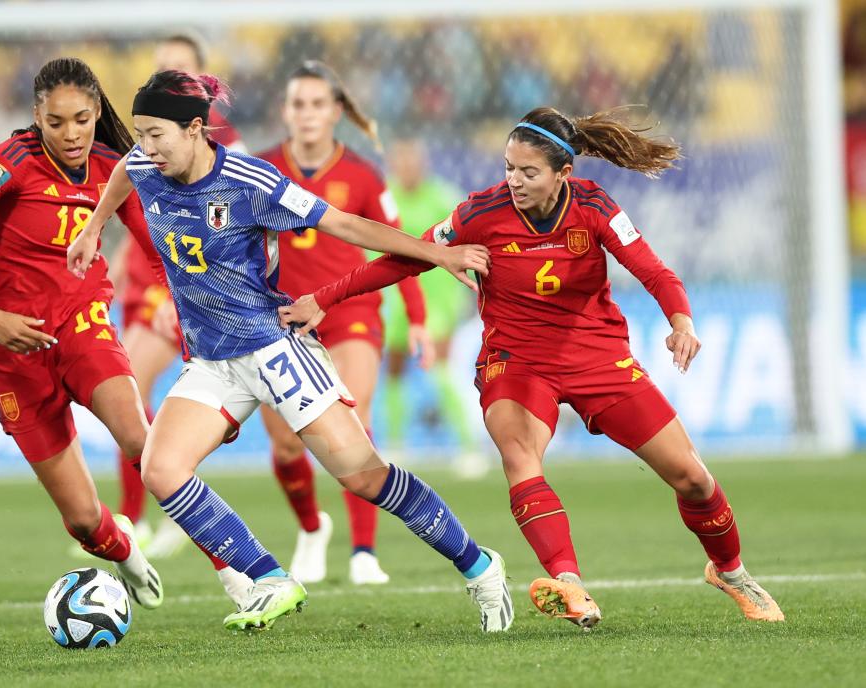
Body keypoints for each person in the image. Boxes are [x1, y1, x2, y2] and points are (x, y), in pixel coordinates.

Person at [280, 106, 785, 628]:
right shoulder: (480, 213)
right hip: (515, 362)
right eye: (508, 168)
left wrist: (681, 322)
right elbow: (407, 257)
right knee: (520, 457)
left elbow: (655, 272)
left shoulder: (594, 206)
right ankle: (569, 583)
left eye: (528, 172)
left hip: (598, 358)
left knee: (693, 479)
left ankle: (731, 571)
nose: (514, 181)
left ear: (563, 172)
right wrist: (324, 297)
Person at [67, 70, 512, 633]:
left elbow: (345, 224)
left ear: (195, 129)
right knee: (162, 468)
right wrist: (94, 226)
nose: (145, 147)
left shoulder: (250, 181)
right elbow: (121, 174)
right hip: (213, 361)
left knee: (364, 476)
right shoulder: (144, 164)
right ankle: (269, 577)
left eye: (156, 134)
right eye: (140, 134)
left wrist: (436, 254)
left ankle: (480, 567)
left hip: (273, 349)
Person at [0, 57, 163, 610]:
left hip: (82, 325)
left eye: (82, 120)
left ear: (96, 113)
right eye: (56, 122)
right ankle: (125, 551)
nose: (71, 134)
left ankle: (241, 571)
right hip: (9, 353)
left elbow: (155, 248)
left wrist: (186, 308)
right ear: (36, 116)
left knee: (143, 445)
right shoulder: (10, 164)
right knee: (83, 521)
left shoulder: (114, 169)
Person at [253, 61, 430, 585]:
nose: (307, 113)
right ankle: (312, 528)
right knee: (288, 444)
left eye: (317, 104)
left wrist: (417, 317)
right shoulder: (259, 170)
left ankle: (364, 552)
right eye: (298, 104)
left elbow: (398, 247)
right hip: (280, 316)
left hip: (349, 310)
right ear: (285, 111)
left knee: (354, 417)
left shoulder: (363, 175)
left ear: (335, 112)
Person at [107, 32, 248, 565]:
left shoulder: (226, 146)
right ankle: (155, 507)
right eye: (162, 67)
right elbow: (141, 201)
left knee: (131, 386)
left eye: (180, 69)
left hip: (184, 282)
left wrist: (186, 290)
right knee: (132, 393)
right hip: (147, 273)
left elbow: (230, 231)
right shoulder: (151, 138)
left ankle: (151, 509)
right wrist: (115, 262)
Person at [382, 137, 485, 477]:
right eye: (401, 162)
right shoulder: (385, 197)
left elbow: (468, 241)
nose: (407, 168)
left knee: (438, 367)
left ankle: (469, 447)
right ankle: (396, 445)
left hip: (437, 301)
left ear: (423, 164)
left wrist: (465, 292)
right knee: (394, 370)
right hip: (396, 298)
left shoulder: (442, 198)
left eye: (413, 161)